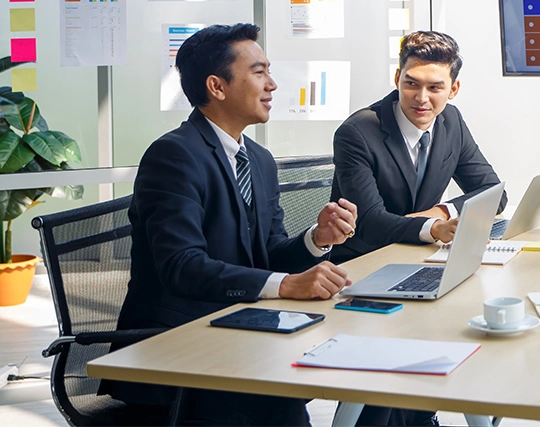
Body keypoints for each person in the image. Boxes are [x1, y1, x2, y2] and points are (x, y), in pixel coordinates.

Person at [110, 23, 358, 426]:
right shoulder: (173, 156)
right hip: (176, 352)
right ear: (217, 86)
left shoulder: (258, 159)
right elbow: (182, 266)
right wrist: (288, 285)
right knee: (282, 400)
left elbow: (270, 253)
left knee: (335, 373)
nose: (272, 84)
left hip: (237, 333)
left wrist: (316, 240)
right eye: (258, 72)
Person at [330, 30, 503, 426]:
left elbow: (493, 191)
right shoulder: (359, 132)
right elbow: (369, 225)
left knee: (472, 328)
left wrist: (439, 212)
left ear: (453, 89)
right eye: (411, 84)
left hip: (418, 264)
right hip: (362, 269)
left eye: (434, 87)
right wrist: (434, 230)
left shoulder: (450, 123)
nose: (421, 98)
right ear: (397, 79)